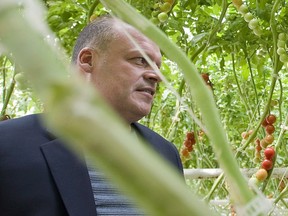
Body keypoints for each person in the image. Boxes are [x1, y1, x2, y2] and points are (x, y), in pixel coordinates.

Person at [0, 15, 183, 216]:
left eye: (157, 66)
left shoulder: (165, 155)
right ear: (88, 60)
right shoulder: (7, 144)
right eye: (141, 60)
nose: (156, 75)